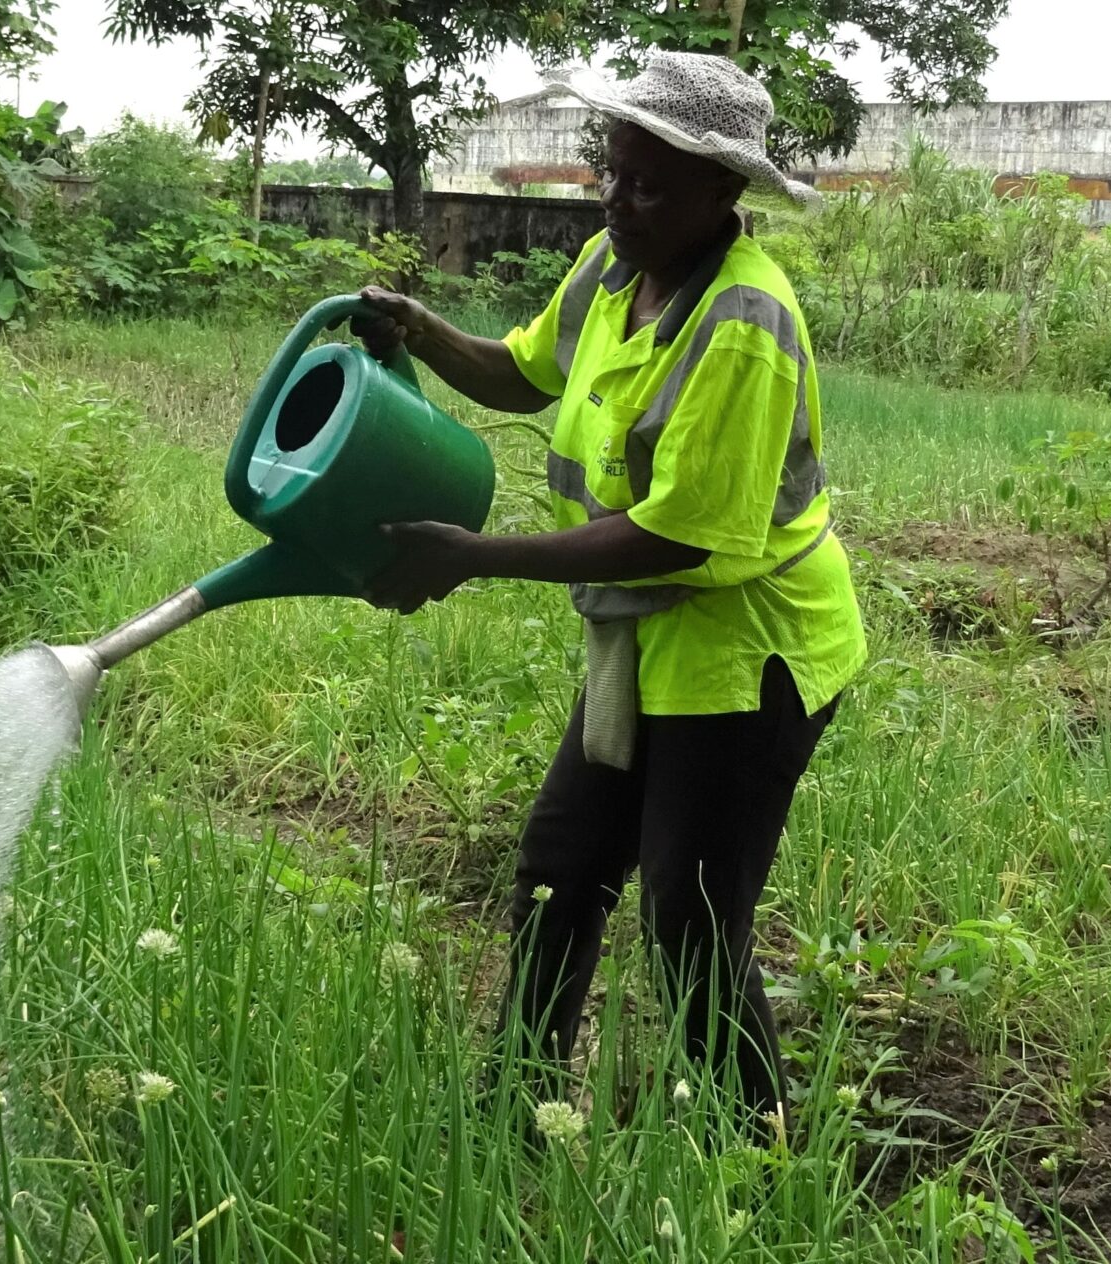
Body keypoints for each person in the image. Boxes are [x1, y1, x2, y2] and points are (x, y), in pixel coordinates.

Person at [350, 51, 866, 1136]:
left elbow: (679, 537)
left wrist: (470, 555)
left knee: (689, 918)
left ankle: (752, 1152)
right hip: (644, 639)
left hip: (746, 651)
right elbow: (522, 372)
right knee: (558, 868)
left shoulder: (743, 327)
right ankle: (515, 1118)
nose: (617, 200)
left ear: (722, 194)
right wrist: (421, 328)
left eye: (647, 184)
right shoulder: (611, 266)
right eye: (612, 172)